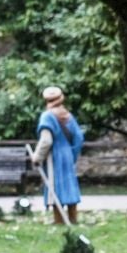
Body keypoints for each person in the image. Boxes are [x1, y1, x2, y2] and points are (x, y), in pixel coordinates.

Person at [30, 86, 84, 225]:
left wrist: (37, 157)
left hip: (54, 156)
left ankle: (59, 221)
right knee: (69, 184)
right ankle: (73, 218)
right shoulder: (68, 116)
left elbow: (46, 140)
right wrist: (72, 154)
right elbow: (78, 138)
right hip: (67, 155)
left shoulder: (47, 116)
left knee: (55, 185)